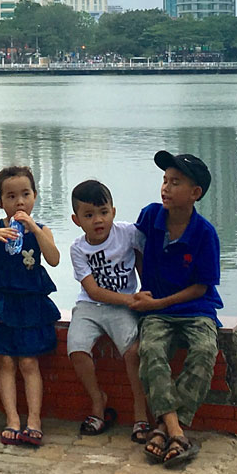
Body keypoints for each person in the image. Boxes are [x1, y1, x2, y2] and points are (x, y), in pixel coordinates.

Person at [132, 151, 222, 468]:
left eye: (176, 182)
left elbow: (201, 287)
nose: (166, 188)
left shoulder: (205, 234)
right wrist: (145, 288)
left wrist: (157, 302)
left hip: (196, 309)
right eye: (165, 180)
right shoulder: (150, 217)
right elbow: (131, 246)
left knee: (204, 350)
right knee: (152, 349)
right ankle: (176, 431)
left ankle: (165, 428)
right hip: (156, 311)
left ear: (195, 193)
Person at [0, 166, 60, 447]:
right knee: (4, 360)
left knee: (29, 361)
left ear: (34, 197)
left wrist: (33, 229)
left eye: (25, 194)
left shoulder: (41, 229)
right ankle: (12, 419)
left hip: (29, 302)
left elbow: (53, 258)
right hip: (0, 303)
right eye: (11, 196)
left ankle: (34, 420)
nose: (19, 201)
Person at [67, 180, 150, 442]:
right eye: (89, 215)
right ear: (76, 219)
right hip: (91, 306)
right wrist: (129, 300)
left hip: (124, 308)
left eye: (103, 212)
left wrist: (148, 296)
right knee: (76, 349)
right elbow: (92, 291)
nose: (98, 220)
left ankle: (140, 411)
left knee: (133, 351)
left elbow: (145, 259)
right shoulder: (78, 249)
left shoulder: (128, 233)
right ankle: (98, 402)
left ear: (113, 211)